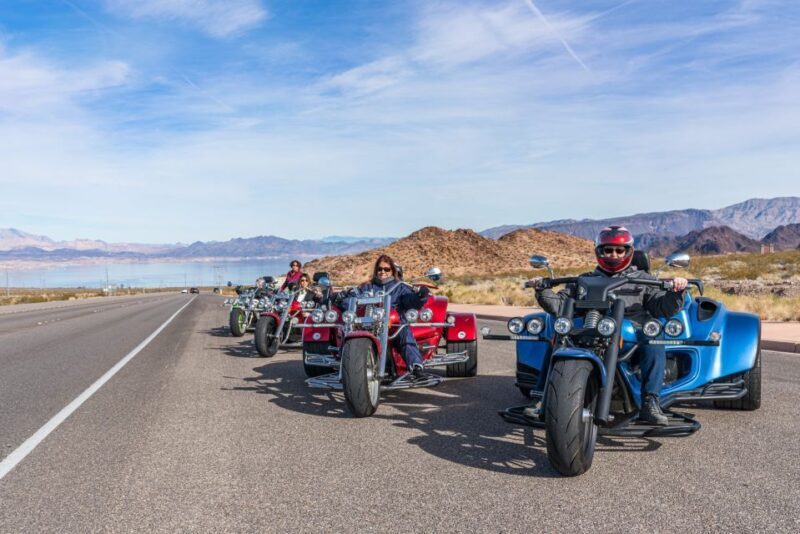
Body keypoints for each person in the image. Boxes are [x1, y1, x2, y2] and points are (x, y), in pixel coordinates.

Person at [528, 226, 688, 425]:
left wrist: (676, 292)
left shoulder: (645, 280)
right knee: (560, 334)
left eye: (619, 250)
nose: (614, 255)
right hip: (589, 330)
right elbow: (560, 305)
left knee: (654, 338)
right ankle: (540, 396)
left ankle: (650, 402)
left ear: (629, 252)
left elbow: (662, 307)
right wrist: (541, 290)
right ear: (599, 252)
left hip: (631, 335)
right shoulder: (584, 280)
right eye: (608, 250)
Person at [342, 255, 430, 379]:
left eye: (386, 269)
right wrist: (343, 298)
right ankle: (344, 362)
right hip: (368, 324)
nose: (382, 272)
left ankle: (416, 367)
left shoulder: (400, 287)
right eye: (379, 269)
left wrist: (420, 296)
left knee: (405, 334)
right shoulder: (366, 286)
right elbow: (351, 300)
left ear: (392, 271)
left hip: (394, 325)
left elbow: (411, 301)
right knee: (348, 330)